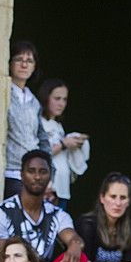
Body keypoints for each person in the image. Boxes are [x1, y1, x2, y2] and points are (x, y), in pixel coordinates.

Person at [74, 172, 131, 262]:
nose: (118, 203)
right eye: (113, 197)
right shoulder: (88, 225)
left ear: (128, 202)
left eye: (123, 198)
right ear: (102, 198)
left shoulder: (128, 227)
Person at [3, 41, 49, 197]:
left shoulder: (34, 101)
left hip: (34, 174)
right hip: (11, 171)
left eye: (29, 61)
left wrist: (49, 171)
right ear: (9, 63)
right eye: (18, 59)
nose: (24, 65)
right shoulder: (4, 93)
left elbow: (42, 139)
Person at [36, 78, 89, 210]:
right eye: (57, 98)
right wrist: (64, 144)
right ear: (46, 97)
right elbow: (38, 154)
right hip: (47, 189)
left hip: (62, 187)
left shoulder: (58, 126)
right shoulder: (38, 122)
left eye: (64, 99)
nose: (61, 104)